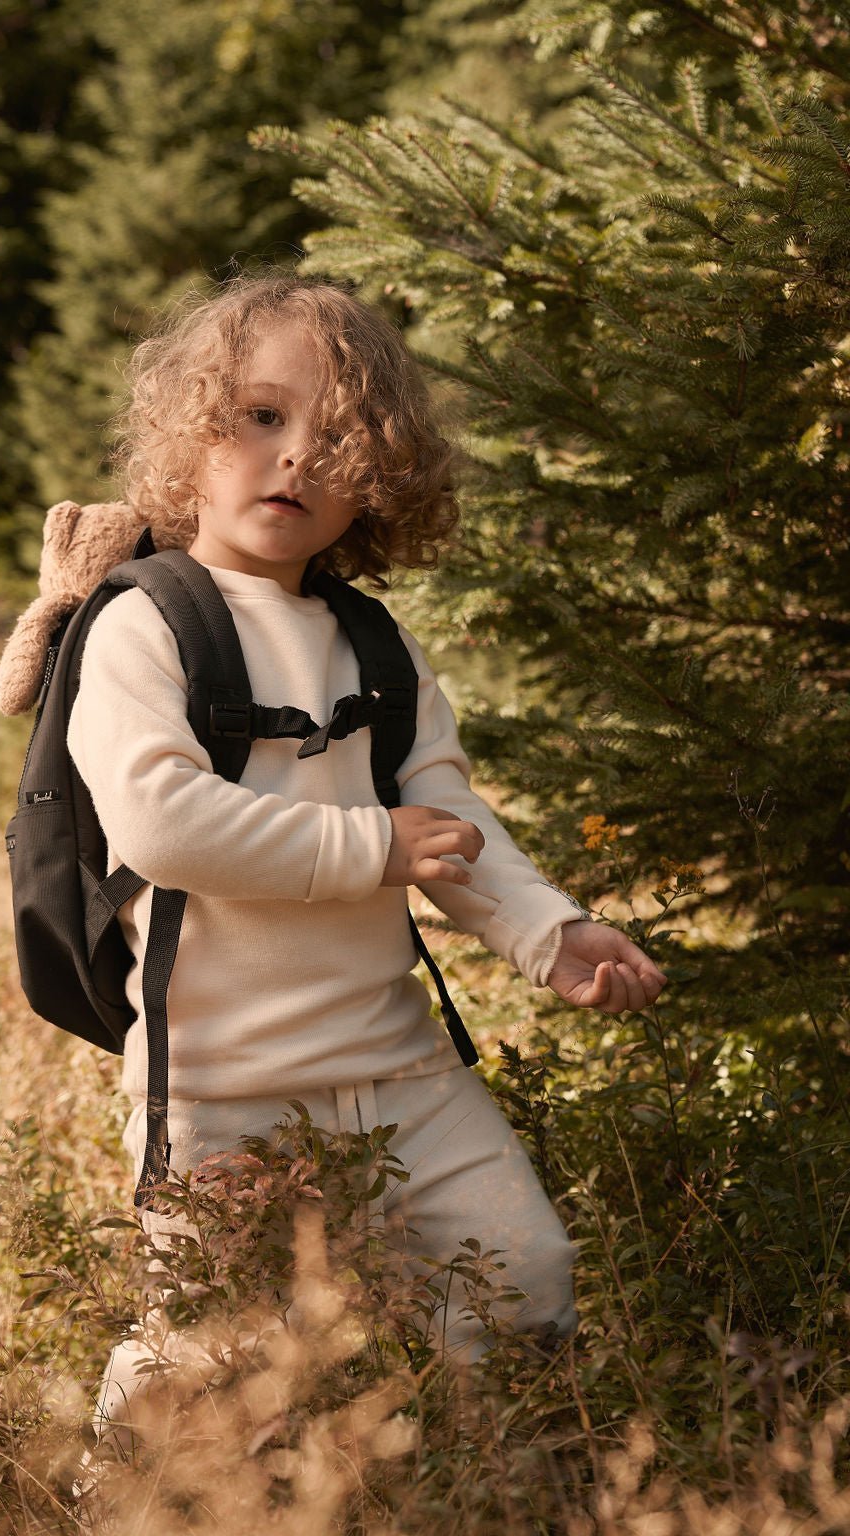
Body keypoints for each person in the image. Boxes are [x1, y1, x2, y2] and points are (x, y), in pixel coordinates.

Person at [66, 273, 666, 1451]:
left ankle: (479, 1483)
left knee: (523, 1274)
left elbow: (446, 822)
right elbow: (160, 824)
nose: (294, 459)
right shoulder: (145, 622)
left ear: (381, 476)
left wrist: (553, 934)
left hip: (398, 1074)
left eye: (337, 437)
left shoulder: (371, 645)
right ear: (189, 428)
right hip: (222, 1090)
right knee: (210, 1344)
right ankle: (116, 1500)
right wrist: (366, 845)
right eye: (260, 416)